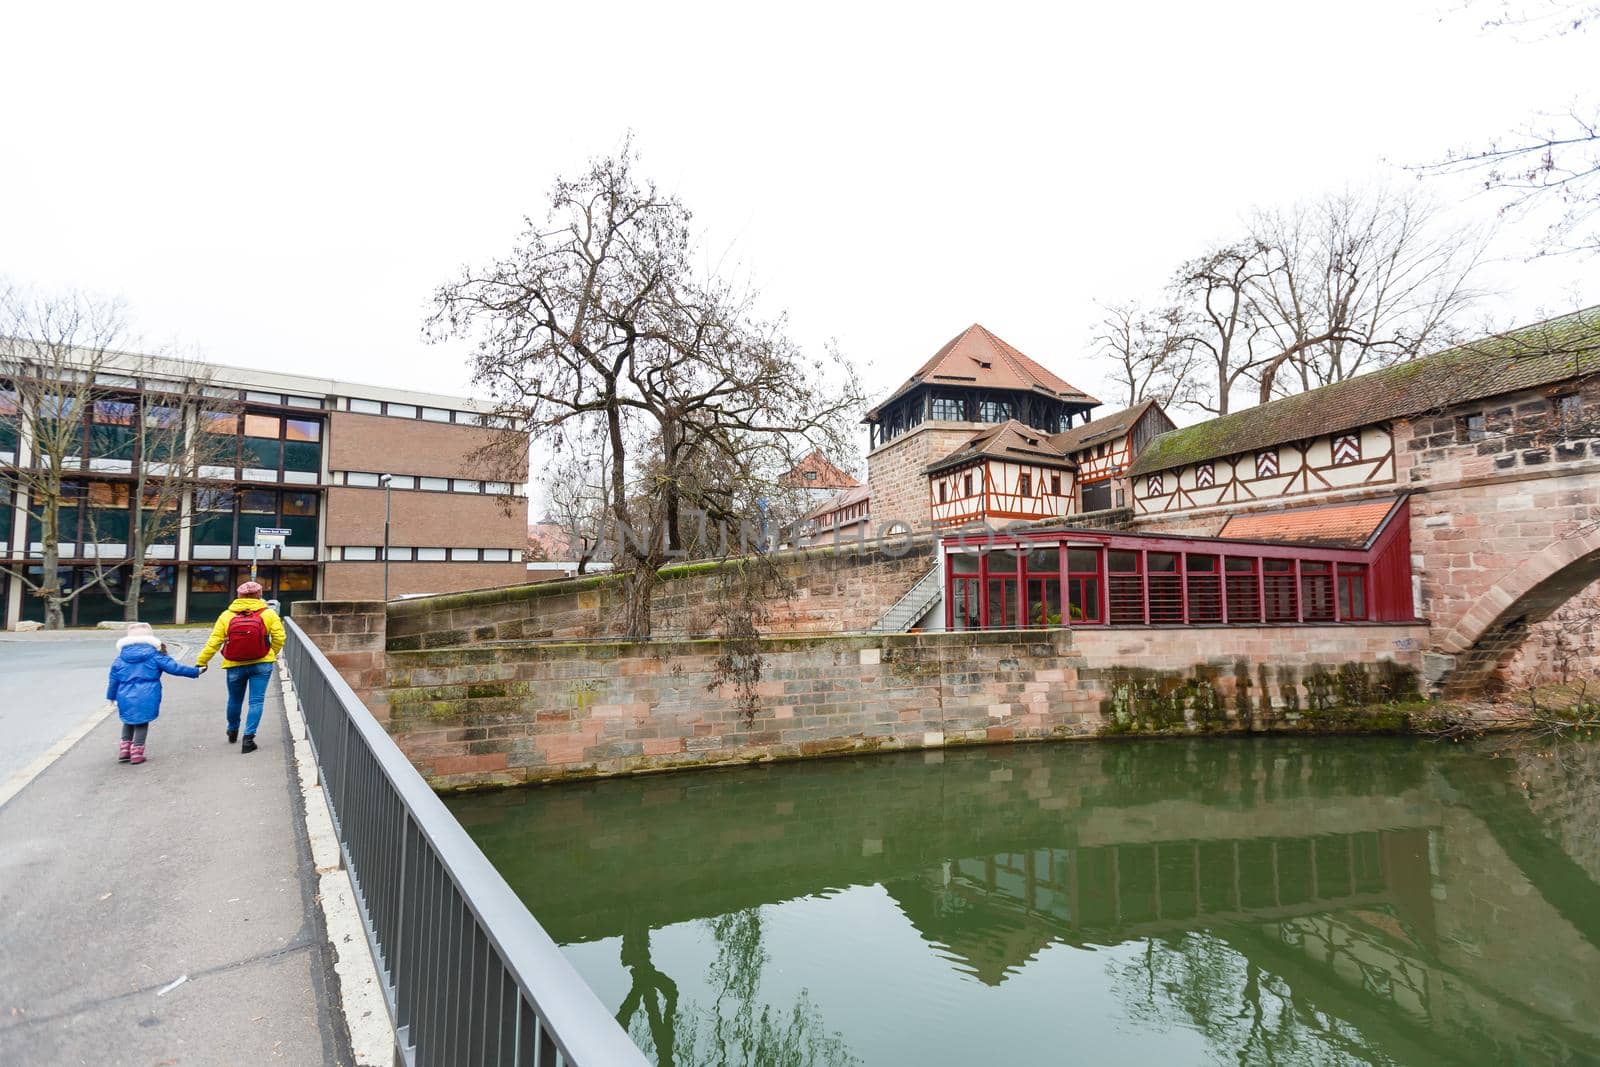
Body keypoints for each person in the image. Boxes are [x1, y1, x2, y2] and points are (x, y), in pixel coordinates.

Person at [196, 580, 286, 754]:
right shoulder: (268, 614)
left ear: (239, 596)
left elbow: (214, 641)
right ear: (259, 595)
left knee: (235, 699)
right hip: (261, 663)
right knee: (256, 701)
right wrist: (270, 653)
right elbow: (280, 637)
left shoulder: (226, 615)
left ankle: (232, 730)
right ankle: (248, 738)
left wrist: (202, 661)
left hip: (234, 664)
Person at [107, 621, 203, 765]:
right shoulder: (154, 655)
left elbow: (113, 679)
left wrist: (111, 696)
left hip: (124, 693)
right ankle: (137, 753)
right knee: (141, 722)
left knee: (128, 721)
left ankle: (124, 750)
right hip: (147, 693)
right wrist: (195, 671)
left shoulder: (120, 658)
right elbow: (175, 668)